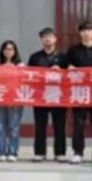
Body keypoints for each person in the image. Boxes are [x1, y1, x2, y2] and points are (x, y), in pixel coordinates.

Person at [66, 21, 92, 165]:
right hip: (79, 91)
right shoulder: (73, 50)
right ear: (80, 33)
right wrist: (69, 67)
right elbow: (66, 66)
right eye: (83, 30)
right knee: (78, 124)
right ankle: (78, 152)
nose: (86, 33)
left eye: (89, 30)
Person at [29, 27, 68, 162]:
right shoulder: (35, 57)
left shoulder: (63, 57)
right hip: (41, 96)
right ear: (41, 40)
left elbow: (71, 75)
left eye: (50, 36)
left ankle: (60, 152)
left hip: (59, 96)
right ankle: (39, 152)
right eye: (44, 37)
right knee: (40, 125)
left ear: (55, 39)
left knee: (60, 126)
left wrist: (61, 70)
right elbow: (29, 75)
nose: (47, 39)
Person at [0, 41, 25, 162]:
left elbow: (24, 81)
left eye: (11, 49)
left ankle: (12, 152)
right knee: (0, 127)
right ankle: (0, 152)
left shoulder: (21, 66)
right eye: (6, 49)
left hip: (15, 100)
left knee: (13, 127)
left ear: (15, 51)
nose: (8, 51)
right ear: (2, 51)